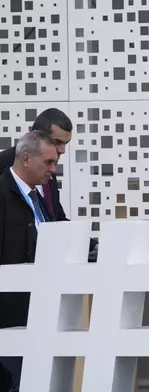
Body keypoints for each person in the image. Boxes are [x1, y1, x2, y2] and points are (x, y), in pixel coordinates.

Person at [0, 132, 60, 392]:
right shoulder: (2, 194)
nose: (53, 170)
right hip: (8, 314)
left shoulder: (38, 198)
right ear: (26, 158)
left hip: (36, 308)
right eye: (48, 162)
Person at [0, 108, 98, 253]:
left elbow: (56, 220)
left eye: (66, 143)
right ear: (37, 136)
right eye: (57, 142)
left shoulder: (47, 171)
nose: (63, 150)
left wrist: (92, 244)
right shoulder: (4, 167)